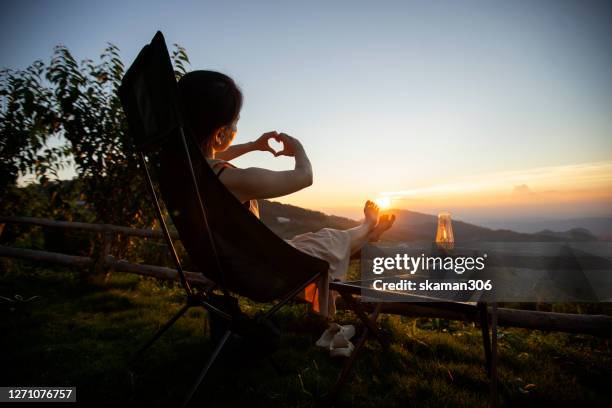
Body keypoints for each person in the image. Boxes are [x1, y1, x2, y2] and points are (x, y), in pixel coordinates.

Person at [177, 70, 395, 317]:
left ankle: (367, 232)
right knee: (331, 239)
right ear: (219, 134)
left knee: (309, 240)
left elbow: (212, 156)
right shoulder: (232, 180)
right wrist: (299, 149)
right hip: (260, 273)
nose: (237, 128)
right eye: (235, 122)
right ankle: (369, 225)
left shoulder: (184, 167)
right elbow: (305, 177)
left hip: (225, 265)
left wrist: (253, 146)